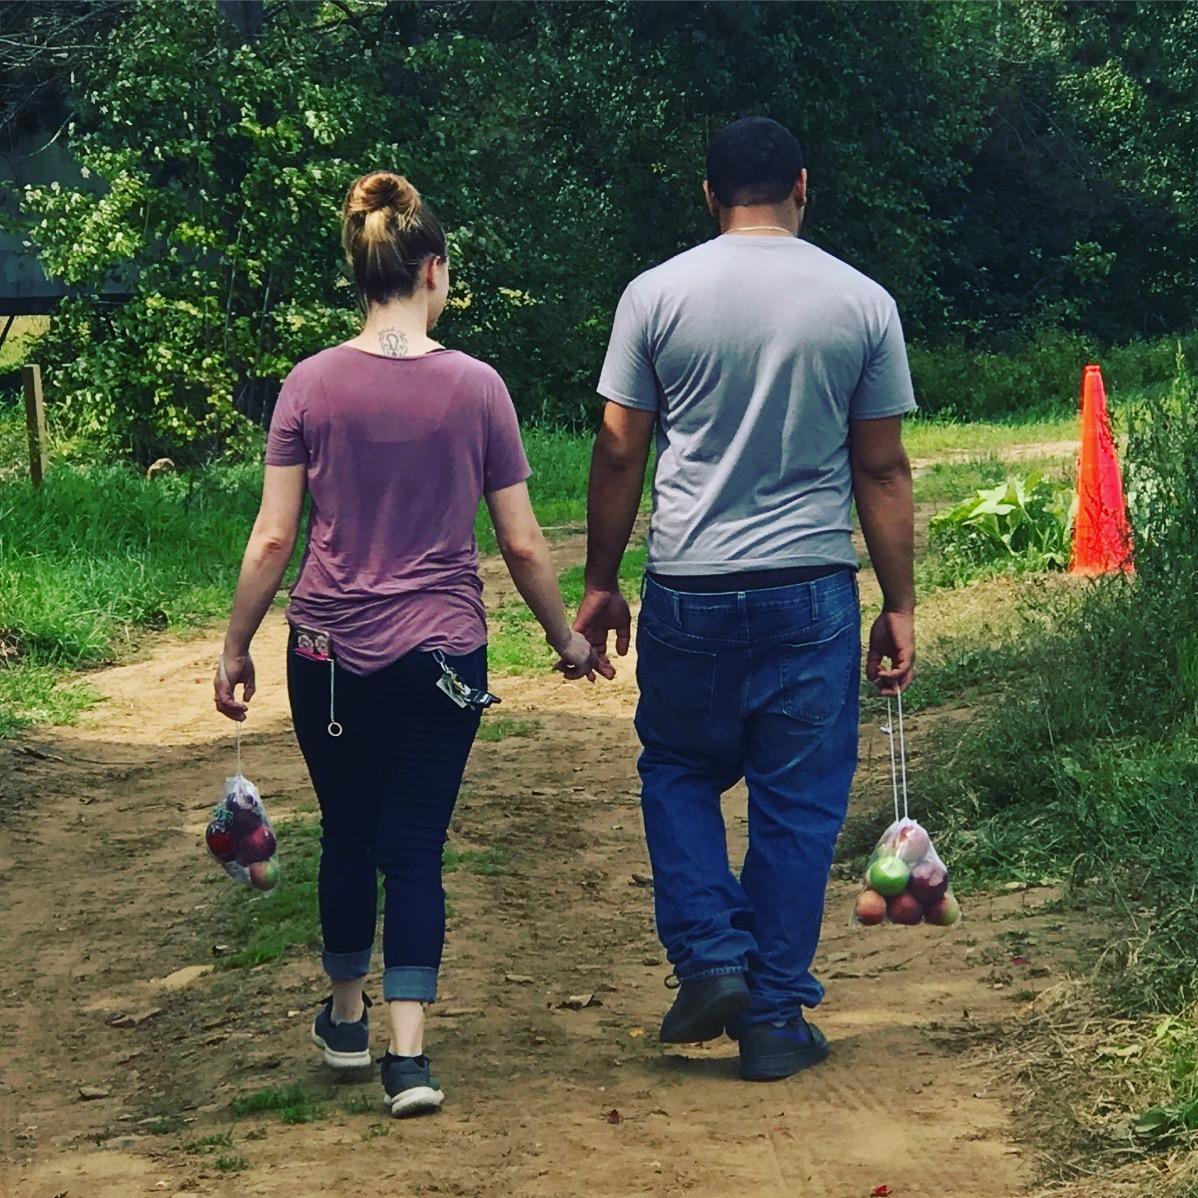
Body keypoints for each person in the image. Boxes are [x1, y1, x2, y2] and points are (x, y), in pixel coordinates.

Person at [214, 171, 596, 1118]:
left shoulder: (309, 385)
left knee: (347, 832)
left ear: (364, 270)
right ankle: (409, 1059)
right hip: (441, 657)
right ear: (432, 270)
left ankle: (346, 1018)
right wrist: (566, 639)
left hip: (328, 658)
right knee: (414, 849)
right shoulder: (477, 388)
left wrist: (234, 648)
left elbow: (272, 539)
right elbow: (519, 541)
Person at [575, 116, 917, 1081]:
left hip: (689, 586)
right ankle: (771, 1018)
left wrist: (601, 582)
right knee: (798, 805)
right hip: (811, 587)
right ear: (802, 186)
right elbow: (882, 471)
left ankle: (711, 957)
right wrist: (899, 603)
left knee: (679, 769)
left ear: (708, 193)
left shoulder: (655, 295)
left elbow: (618, 448)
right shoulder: (862, 301)